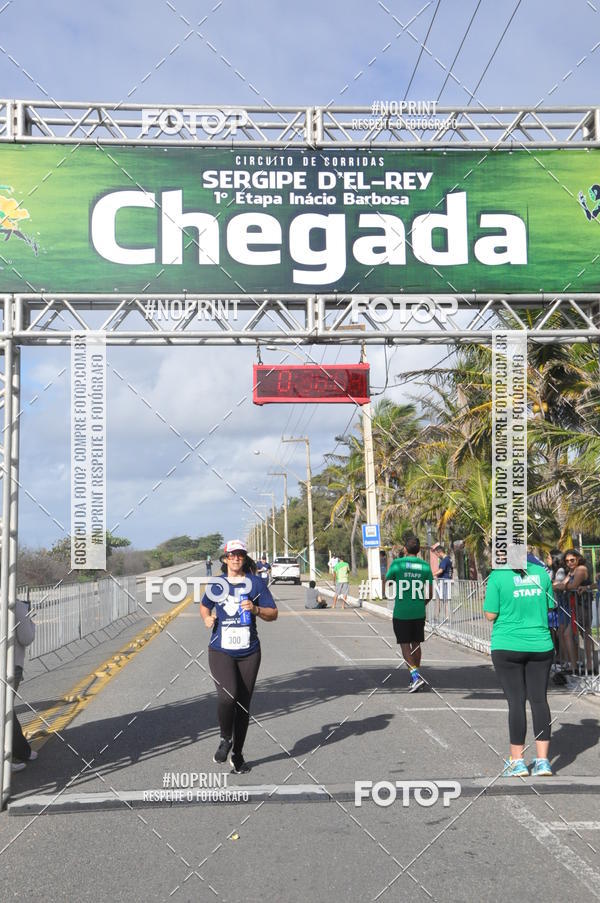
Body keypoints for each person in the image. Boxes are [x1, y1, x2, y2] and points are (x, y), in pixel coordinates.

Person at [200, 539, 277, 774]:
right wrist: (207, 618)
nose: (235, 558)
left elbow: (273, 613)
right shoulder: (217, 584)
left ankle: (238, 754)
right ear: (225, 559)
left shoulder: (256, 583)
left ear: (244, 558)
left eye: (240, 555)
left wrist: (256, 609)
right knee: (227, 697)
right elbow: (205, 606)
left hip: (249, 652)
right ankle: (225, 738)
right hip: (220, 649)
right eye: (231, 555)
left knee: (243, 704)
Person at [484, 560, 556, 777]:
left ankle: (517, 762)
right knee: (539, 700)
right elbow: (550, 604)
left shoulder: (497, 576)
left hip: (507, 644)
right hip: (540, 644)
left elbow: (490, 614)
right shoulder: (541, 573)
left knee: (516, 702)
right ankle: (543, 761)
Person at [385, 537, 433, 693]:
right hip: (419, 611)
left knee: (405, 645)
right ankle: (415, 677)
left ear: (405, 549)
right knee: (416, 644)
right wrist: (420, 604)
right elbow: (430, 593)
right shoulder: (425, 566)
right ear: (418, 550)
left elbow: (387, 581)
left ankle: (415, 677)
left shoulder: (397, 564)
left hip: (402, 612)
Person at [555, 549, 595, 676]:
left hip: (583, 605)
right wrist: (561, 585)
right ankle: (574, 666)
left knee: (585, 634)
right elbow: (564, 584)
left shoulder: (581, 569)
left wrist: (560, 586)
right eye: (567, 561)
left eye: (572, 560)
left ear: (578, 558)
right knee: (569, 634)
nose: (569, 563)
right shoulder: (572, 571)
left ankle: (590, 666)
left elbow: (572, 585)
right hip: (575, 605)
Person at [11, 598, 38, 771]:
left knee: (6, 711)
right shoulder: (16, 605)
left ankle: (21, 751)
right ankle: (19, 753)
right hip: (10, 665)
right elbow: (26, 637)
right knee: (5, 711)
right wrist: (31, 622)